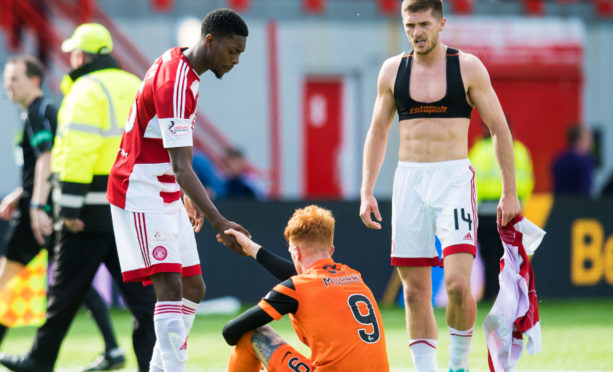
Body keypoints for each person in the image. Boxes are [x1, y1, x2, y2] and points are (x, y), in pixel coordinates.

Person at [358, 0, 521, 371]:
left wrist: (509, 191)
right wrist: (367, 189)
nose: (416, 33)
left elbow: (499, 130)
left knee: (458, 287)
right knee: (415, 292)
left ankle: (459, 365)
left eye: (424, 24)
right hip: (409, 180)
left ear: (442, 23)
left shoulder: (466, 67)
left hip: (452, 181)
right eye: (409, 25)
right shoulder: (392, 70)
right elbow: (378, 132)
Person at [0, 24, 157, 372]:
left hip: (86, 211)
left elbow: (76, 152)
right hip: (130, 210)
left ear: (82, 55)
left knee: (64, 293)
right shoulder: (136, 85)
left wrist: (66, 206)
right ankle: (152, 364)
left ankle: (39, 361)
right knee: (144, 300)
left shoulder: (85, 89)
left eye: (73, 52)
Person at [106, 9, 249, 372]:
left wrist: (184, 191)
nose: (235, 61)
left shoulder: (183, 64)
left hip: (164, 186)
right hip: (139, 189)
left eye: (241, 54)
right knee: (169, 287)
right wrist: (221, 222)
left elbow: (174, 154)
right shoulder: (175, 83)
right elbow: (182, 166)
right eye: (232, 51)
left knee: (193, 288)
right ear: (211, 41)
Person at [221, 205, 389, 371]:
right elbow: (305, 278)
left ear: (296, 252)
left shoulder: (297, 288)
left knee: (251, 334)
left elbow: (230, 332)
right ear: (331, 250)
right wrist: (250, 247)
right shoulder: (354, 276)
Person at [469, 121, 534, 300]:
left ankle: (492, 293)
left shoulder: (480, 151)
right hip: (512, 211)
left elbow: (471, 183)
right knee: (509, 256)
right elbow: (528, 181)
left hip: (486, 212)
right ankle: (509, 295)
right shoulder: (519, 151)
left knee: (489, 256)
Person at [552, 124, 594, 196]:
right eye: (588, 139)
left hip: (559, 203)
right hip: (578, 204)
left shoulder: (558, 159)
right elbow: (584, 190)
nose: (591, 142)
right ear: (578, 140)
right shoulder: (584, 161)